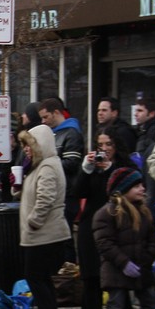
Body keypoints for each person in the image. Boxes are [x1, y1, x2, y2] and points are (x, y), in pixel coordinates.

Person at [72, 130, 138, 309]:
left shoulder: (125, 168)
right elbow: (77, 192)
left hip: (116, 228)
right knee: (91, 279)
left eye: (108, 144)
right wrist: (86, 169)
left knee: (116, 280)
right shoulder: (93, 169)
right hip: (90, 228)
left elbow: (122, 193)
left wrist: (110, 171)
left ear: (116, 145)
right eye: (100, 145)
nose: (104, 149)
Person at [91, 167, 155, 309]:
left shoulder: (145, 212)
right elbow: (104, 243)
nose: (142, 189)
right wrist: (124, 263)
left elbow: (153, 239)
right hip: (116, 269)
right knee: (116, 306)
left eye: (142, 185)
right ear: (123, 189)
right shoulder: (107, 213)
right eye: (136, 186)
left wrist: (146, 260)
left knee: (149, 304)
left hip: (142, 268)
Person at [12, 125, 69, 309]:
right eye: (24, 145)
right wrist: (17, 187)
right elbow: (31, 193)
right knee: (40, 279)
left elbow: (46, 199)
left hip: (45, 234)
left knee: (37, 278)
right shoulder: (38, 166)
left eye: (29, 144)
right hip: (39, 234)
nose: (25, 149)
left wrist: (33, 222)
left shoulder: (47, 167)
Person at [38, 97, 85, 232]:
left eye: (46, 117)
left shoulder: (72, 134)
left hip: (67, 194)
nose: (43, 121)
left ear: (56, 113)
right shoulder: (54, 133)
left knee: (65, 237)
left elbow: (72, 163)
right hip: (56, 191)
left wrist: (46, 165)